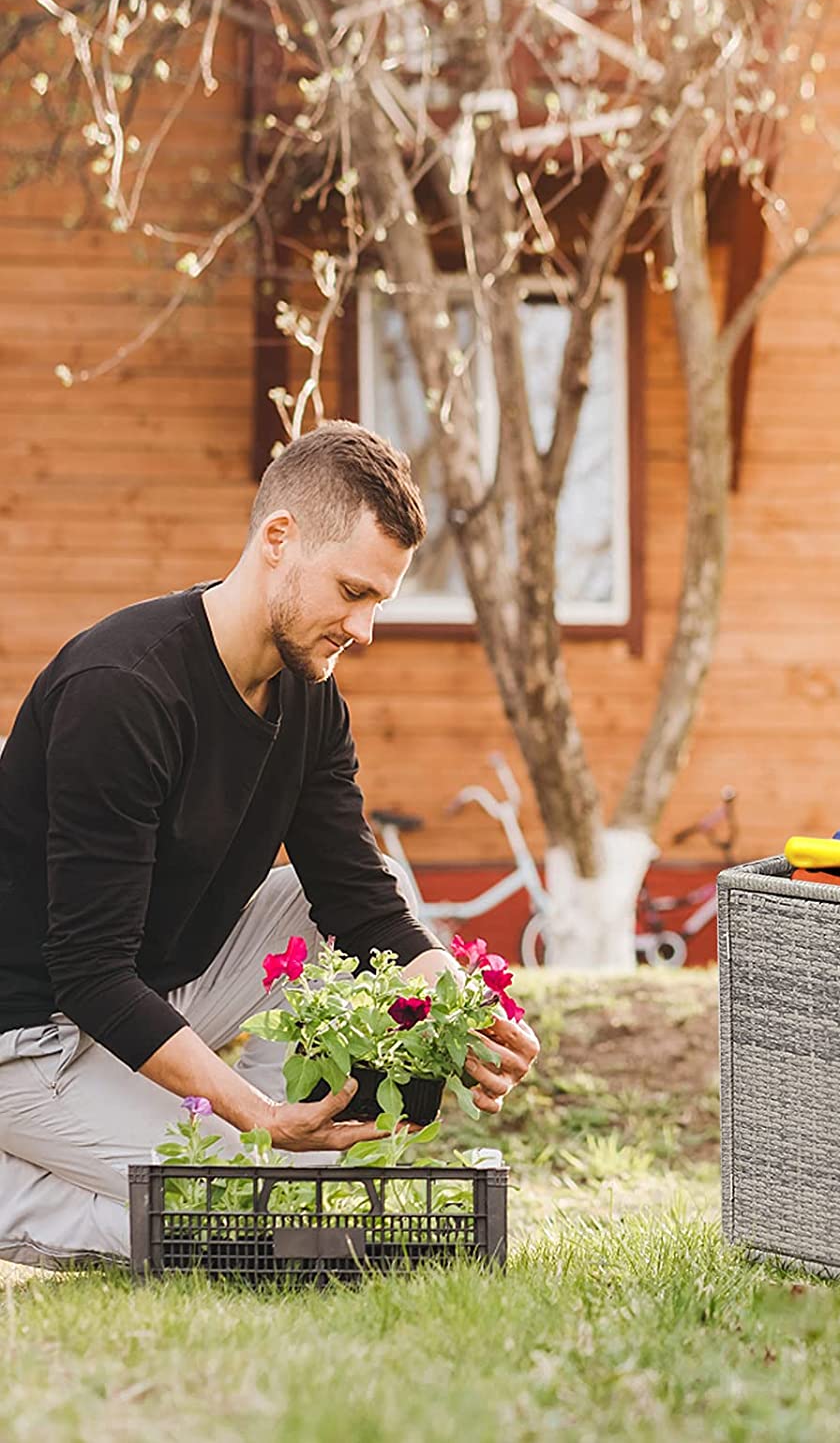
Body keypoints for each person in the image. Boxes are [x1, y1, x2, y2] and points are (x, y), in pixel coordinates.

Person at [0, 420, 539, 1268]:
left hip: (144, 999)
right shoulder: (124, 691)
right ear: (278, 540)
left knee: (338, 911)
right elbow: (89, 971)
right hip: (28, 1027)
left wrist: (467, 1015)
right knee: (256, 1222)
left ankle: (263, 1142)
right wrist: (257, 1116)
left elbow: (361, 904)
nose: (364, 631)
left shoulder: (311, 697)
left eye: (379, 603)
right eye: (353, 593)